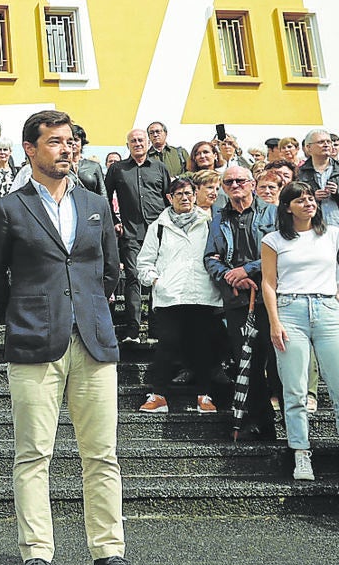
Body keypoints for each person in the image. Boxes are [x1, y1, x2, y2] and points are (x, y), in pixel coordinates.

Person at [0, 109, 144, 565]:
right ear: (31, 149)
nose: (66, 149)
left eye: (71, 141)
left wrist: (85, 309)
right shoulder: (9, 208)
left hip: (94, 340)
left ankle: (107, 554)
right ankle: (36, 555)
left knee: (103, 455)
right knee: (34, 454)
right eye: (55, 142)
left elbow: (111, 272)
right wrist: (28, 315)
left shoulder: (96, 203)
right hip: (34, 342)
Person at [262, 181, 339, 481]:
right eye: (300, 200)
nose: (308, 203)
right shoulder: (274, 240)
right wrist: (274, 321)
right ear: (287, 207)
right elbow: (269, 282)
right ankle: (300, 452)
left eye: (310, 199)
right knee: (293, 388)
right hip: (290, 310)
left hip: (327, 309)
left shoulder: (332, 234)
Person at [134, 177, 225, 415]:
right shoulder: (159, 227)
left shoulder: (209, 224)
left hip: (202, 294)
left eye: (188, 193)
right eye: (179, 194)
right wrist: (156, 280)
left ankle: (204, 396)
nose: (185, 198)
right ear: (170, 198)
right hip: (170, 296)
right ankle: (158, 396)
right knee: (168, 343)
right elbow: (144, 262)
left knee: (202, 346)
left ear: (195, 195)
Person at [204, 165, 278, 439]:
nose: (235, 186)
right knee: (247, 361)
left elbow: (283, 250)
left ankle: (295, 428)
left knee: (276, 362)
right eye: (229, 182)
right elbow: (210, 257)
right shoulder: (218, 217)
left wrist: (249, 269)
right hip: (237, 300)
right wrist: (231, 277)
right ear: (223, 188)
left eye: (240, 181)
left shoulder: (272, 213)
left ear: (252, 184)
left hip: (272, 297)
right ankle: (261, 422)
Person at [105, 128, 171, 342]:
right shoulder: (117, 169)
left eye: (141, 140)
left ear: (147, 143)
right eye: (133, 141)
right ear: (128, 146)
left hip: (158, 232)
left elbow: (169, 198)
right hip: (131, 232)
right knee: (133, 277)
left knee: (156, 279)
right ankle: (133, 330)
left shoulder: (160, 168)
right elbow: (105, 197)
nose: (138, 143)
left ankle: (155, 329)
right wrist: (115, 221)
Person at [297, 129, 338, 224]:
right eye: (321, 142)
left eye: (329, 141)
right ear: (308, 147)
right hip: (314, 226)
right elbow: (294, 200)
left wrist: (337, 191)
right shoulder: (300, 172)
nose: (326, 145)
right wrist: (312, 197)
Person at [72, 125, 107, 197]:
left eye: (76, 140)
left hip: (91, 206)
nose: (73, 143)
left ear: (82, 142)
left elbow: (102, 193)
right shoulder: (61, 166)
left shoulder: (94, 166)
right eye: (69, 140)